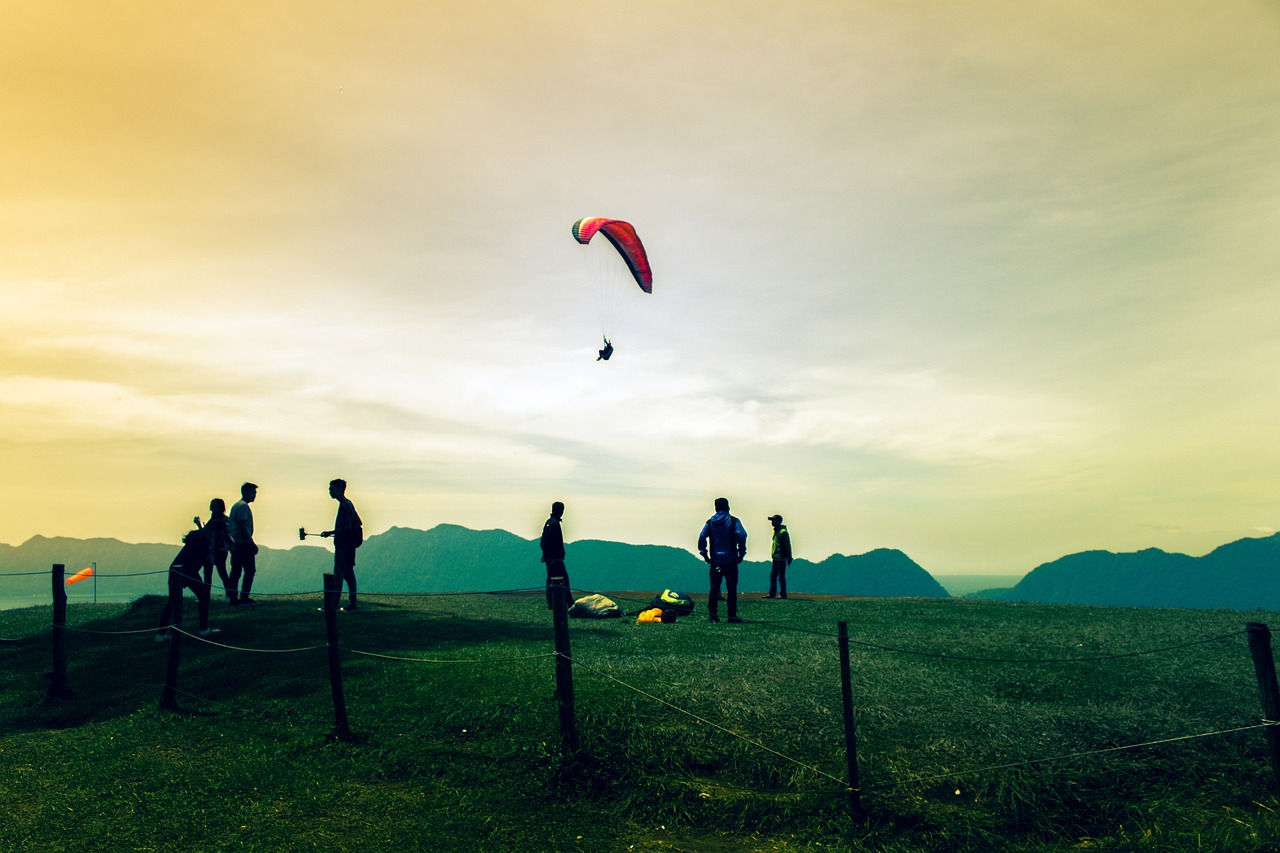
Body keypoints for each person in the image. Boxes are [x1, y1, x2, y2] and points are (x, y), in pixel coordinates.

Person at [156, 527, 219, 640]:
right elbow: (207, 569)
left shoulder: (197, 540)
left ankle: (160, 634)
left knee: (172, 602)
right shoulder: (207, 544)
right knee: (203, 597)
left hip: (176, 569)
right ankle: (203, 629)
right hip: (188, 570)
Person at [698, 497, 748, 623]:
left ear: (716, 507)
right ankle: (731, 616)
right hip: (730, 561)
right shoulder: (733, 521)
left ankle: (713, 615)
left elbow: (702, 537)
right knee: (731, 589)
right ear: (728, 507)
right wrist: (741, 553)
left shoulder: (710, 523)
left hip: (715, 561)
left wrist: (705, 554)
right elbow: (742, 535)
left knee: (714, 589)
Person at [321, 479, 363, 611]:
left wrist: (330, 532)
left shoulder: (344, 505)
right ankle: (353, 603)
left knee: (338, 574)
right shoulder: (348, 504)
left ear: (339, 489)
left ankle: (333, 605)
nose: (330, 491)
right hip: (350, 545)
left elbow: (347, 527)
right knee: (349, 574)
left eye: (332, 489)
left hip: (343, 546)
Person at [227, 482, 258, 605]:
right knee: (249, 570)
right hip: (243, 543)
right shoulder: (244, 506)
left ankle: (232, 596)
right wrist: (251, 542)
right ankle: (244, 596)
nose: (254, 495)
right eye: (252, 493)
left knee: (236, 570)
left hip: (236, 543)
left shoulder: (236, 505)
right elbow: (242, 525)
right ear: (245, 493)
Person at [200, 498, 234, 604]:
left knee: (218, 573)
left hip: (217, 550)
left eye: (215, 506)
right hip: (213, 550)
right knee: (213, 573)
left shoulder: (220, 521)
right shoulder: (222, 520)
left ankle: (209, 596)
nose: (213, 509)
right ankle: (227, 595)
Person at [540, 501, 569, 609]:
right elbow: (553, 542)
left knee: (551, 579)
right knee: (564, 578)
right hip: (555, 558)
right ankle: (567, 601)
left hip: (550, 557)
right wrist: (555, 555)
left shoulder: (549, 522)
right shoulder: (554, 524)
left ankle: (551, 602)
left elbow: (544, 541)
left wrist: (545, 555)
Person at [766, 514, 793, 599]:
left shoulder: (783, 532)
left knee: (780, 576)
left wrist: (789, 557)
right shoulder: (777, 531)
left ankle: (782, 594)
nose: (772, 522)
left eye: (774, 520)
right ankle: (772, 593)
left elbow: (788, 545)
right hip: (776, 557)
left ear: (779, 521)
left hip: (781, 557)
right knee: (773, 576)